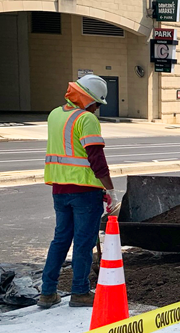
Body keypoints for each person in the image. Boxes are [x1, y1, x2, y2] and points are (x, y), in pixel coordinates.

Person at [38, 74, 119, 309]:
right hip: (85, 193)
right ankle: (80, 292)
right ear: (87, 99)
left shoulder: (55, 114)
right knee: (83, 243)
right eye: (95, 104)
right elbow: (97, 159)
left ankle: (47, 292)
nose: (96, 109)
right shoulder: (86, 119)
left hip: (59, 190)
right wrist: (111, 192)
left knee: (60, 240)